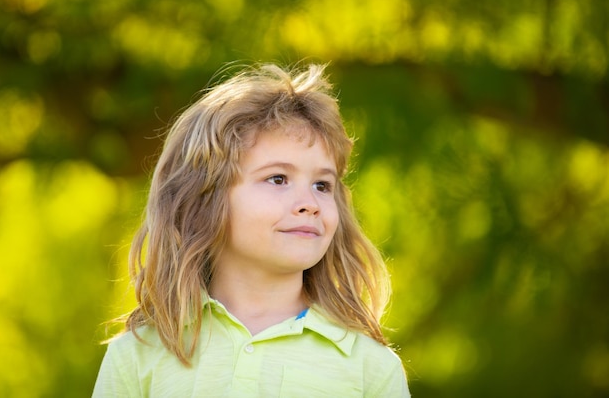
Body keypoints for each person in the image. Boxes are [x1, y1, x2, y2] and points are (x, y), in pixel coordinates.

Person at [93, 62, 411, 397]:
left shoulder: (370, 367)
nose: (310, 202)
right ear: (205, 198)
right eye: (278, 179)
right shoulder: (137, 356)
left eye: (322, 184)